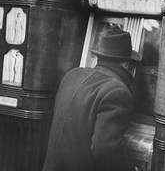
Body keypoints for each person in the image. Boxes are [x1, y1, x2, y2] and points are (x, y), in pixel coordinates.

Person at [43, 25, 142, 171]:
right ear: (127, 64)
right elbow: (106, 149)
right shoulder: (117, 91)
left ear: (98, 57)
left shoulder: (72, 75)